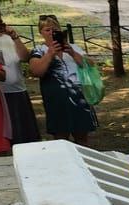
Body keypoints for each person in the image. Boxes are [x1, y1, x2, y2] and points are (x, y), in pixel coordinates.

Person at [29, 15, 98, 145]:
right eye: (47, 30)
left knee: (82, 137)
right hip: (56, 100)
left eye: (55, 29)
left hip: (79, 98)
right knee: (61, 139)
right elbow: (36, 71)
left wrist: (72, 52)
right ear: (41, 32)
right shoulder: (39, 50)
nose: (51, 33)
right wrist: (50, 54)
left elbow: (90, 65)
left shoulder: (73, 47)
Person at [0, 6, 40, 145]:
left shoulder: (8, 38)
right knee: (4, 137)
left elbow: (25, 57)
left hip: (18, 91)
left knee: (24, 135)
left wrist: (15, 37)